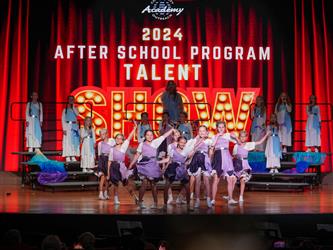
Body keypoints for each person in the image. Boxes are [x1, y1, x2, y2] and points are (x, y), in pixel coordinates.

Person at [129, 128, 175, 209]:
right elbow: (137, 155)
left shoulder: (155, 142)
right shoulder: (142, 144)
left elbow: (164, 136)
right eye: (148, 135)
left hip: (152, 164)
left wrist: (172, 130)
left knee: (153, 184)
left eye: (151, 135)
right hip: (145, 165)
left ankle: (155, 203)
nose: (150, 136)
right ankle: (140, 202)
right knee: (144, 183)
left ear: (153, 136)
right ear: (145, 136)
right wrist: (131, 164)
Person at [233, 130, 270, 202]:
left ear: (246, 137)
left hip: (245, 164)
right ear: (239, 137)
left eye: (244, 137)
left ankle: (241, 196)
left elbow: (259, 142)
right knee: (232, 180)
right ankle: (230, 196)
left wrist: (267, 134)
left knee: (242, 180)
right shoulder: (236, 145)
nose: (243, 138)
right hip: (237, 164)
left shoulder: (248, 144)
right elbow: (234, 156)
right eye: (241, 137)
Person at [107, 123, 138, 205]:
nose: (118, 140)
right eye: (117, 138)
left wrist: (135, 128)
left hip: (121, 167)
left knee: (126, 184)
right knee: (115, 184)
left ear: (122, 140)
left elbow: (129, 137)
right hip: (114, 167)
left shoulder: (123, 147)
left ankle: (135, 198)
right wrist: (108, 173)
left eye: (120, 139)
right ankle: (116, 198)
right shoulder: (112, 149)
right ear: (115, 139)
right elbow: (109, 161)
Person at [163, 136, 196, 210]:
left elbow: (190, 156)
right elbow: (170, 160)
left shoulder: (187, 150)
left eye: (184, 143)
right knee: (166, 186)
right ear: (178, 142)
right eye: (181, 142)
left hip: (182, 169)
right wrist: (165, 168)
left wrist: (187, 163)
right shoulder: (172, 150)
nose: (182, 144)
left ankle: (188, 206)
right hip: (173, 168)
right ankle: (164, 205)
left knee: (187, 187)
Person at [210, 121, 238, 205]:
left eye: (223, 127)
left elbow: (237, 142)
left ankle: (230, 199)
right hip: (218, 157)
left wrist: (235, 137)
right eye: (219, 127)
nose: (221, 129)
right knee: (216, 179)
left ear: (225, 128)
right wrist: (217, 136)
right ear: (217, 128)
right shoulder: (214, 136)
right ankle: (213, 199)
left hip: (227, 157)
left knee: (230, 179)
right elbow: (212, 146)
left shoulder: (227, 135)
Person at [187, 125, 212, 208]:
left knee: (206, 181)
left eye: (203, 131)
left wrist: (210, 161)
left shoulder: (208, 141)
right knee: (197, 181)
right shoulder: (195, 141)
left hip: (204, 159)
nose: (201, 132)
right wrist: (197, 140)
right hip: (196, 159)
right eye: (200, 131)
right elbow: (192, 149)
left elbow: (211, 151)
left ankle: (208, 199)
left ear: (206, 132)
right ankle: (197, 200)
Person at [97, 128, 115, 200]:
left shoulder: (112, 141)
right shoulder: (100, 143)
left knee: (108, 177)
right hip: (103, 159)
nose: (101, 136)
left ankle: (106, 192)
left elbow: (114, 150)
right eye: (100, 134)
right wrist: (99, 164)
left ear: (107, 134)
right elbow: (99, 154)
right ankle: (100, 193)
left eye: (103, 134)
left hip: (110, 159)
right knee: (103, 177)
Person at [62, 95, 80, 162]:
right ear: (68, 100)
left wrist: (73, 107)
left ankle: (73, 155)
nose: (71, 100)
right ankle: (67, 156)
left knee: (74, 142)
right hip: (67, 126)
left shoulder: (75, 108)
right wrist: (64, 129)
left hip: (74, 126)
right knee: (68, 141)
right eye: (70, 99)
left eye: (72, 99)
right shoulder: (65, 110)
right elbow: (63, 119)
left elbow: (77, 114)